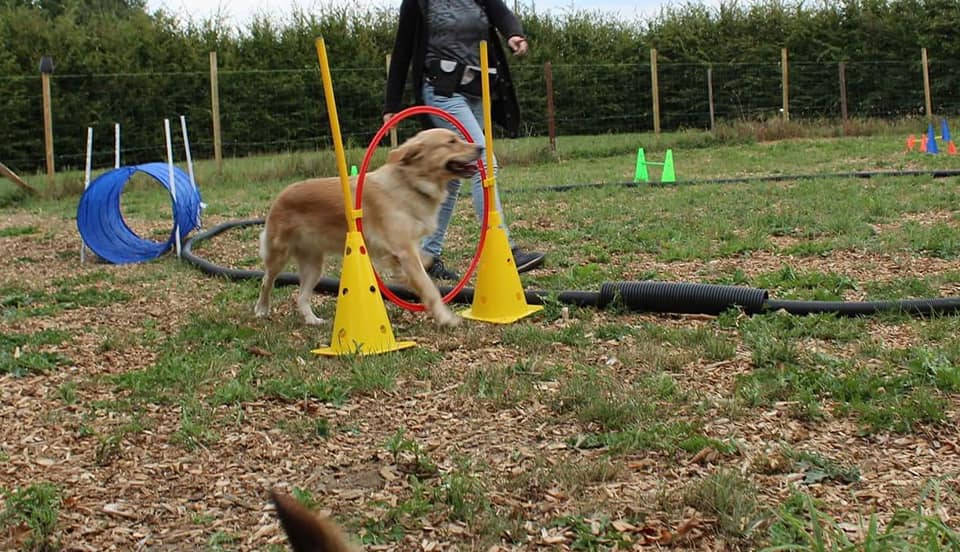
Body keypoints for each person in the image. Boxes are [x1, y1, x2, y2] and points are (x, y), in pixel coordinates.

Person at [382, 0, 546, 281]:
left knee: (455, 174)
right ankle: (504, 248)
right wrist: (391, 105)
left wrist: (514, 34)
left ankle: (427, 256)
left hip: (476, 90)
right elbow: (402, 51)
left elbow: (502, 14)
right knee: (483, 163)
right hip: (443, 92)